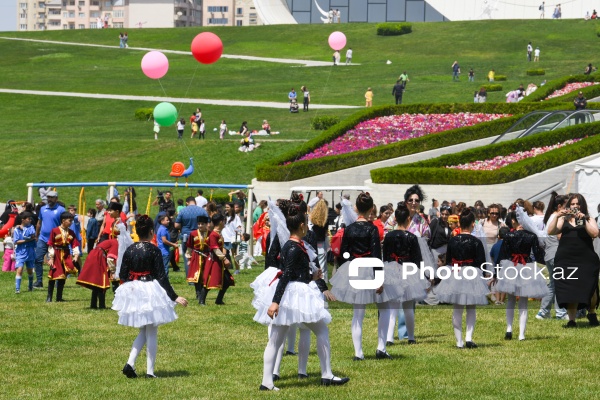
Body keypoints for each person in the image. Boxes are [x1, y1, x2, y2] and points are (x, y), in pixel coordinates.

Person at [256, 201, 349, 391]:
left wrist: (312, 276)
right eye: (306, 223)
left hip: (293, 291)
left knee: (276, 339)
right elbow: (286, 276)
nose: (308, 227)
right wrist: (275, 302)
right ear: (301, 226)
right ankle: (326, 374)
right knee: (319, 331)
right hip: (294, 294)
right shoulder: (293, 247)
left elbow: (295, 272)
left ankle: (267, 381)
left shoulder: (294, 245)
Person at [113, 215, 188, 379]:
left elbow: (123, 275)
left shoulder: (130, 249)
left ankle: (130, 364)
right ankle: (149, 371)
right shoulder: (154, 250)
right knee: (151, 331)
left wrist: (127, 291)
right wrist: (174, 297)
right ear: (152, 232)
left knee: (143, 330)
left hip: (134, 289)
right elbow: (161, 276)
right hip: (149, 290)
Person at [330, 193, 393, 360]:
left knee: (358, 313)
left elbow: (343, 253)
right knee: (384, 307)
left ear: (356, 208)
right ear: (372, 209)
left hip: (354, 268)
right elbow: (375, 255)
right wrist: (379, 278)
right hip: (369, 269)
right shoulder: (372, 229)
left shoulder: (349, 229)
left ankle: (358, 352)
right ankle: (381, 347)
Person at [435, 209, 489, 348]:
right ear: (472, 224)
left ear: (460, 223)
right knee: (471, 307)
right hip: (472, 273)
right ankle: (469, 338)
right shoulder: (477, 241)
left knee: (457, 308)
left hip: (456, 273)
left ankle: (459, 341)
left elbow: (448, 261)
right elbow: (481, 262)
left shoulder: (453, 240)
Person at [547, 193, 600, 327]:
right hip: (566, 258)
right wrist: (557, 216)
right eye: (573, 204)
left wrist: (585, 220)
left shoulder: (589, 218)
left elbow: (594, 233)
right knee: (570, 288)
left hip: (586, 259)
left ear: (582, 205)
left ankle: (592, 312)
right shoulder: (563, 219)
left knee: (590, 287)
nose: (575, 206)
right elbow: (551, 231)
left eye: (578, 203)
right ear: (569, 205)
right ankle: (572, 320)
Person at [494, 211, 548, 341]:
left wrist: (497, 272)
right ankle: (521, 334)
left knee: (511, 300)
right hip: (526, 267)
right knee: (523, 302)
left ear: (514, 221)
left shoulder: (508, 236)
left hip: (511, 266)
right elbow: (538, 255)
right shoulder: (531, 236)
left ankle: (509, 328)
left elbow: (503, 255)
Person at [383, 202, 429, 345]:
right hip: (409, 270)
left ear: (395, 219)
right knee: (408, 307)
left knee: (393, 307)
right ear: (408, 220)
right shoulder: (412, 237)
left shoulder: (389, 236)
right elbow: (417, 259)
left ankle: (389, 338)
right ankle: (411, 337)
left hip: (392, 269)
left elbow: (385, 257)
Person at [199, 213, 233, 305]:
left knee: (226, 281)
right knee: (210, 280)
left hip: (218, 261)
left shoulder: (218, 233)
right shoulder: (213, 234)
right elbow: (215, 249)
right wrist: (224, 259)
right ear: (221, 221)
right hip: (214, 261)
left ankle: (219, 300)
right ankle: (201, 301)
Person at [45, 211, 80, 302]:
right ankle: (49, 297)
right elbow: (51, 244)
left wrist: (75, 255)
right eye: (69, 220)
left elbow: (75, 244)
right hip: (56, 254)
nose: (71, 222)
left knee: (63, 275)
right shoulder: (55, 230)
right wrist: (51, 257)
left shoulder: (71, 232)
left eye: (72, 221)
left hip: (66, 254)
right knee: (53, 274)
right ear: (63, 220)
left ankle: (59, 297)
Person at [34, 190, 65, 289]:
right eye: (48, 197)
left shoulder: (61, 210)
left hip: (56, 239)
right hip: (42, 238)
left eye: (51, 197)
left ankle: (56, 280)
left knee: (56, 261)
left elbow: (64, 224)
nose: (49, 199)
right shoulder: (43, 209)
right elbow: (39, 223)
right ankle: (39, 281)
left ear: (56, 198)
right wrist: (36, 235)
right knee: (38, 259)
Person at [76, 238, 118, 309]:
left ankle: (93, 304)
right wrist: (113, 271)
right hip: (99, 256)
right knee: (102, 281)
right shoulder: (116, 243)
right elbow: (110, 258)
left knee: (96, 282)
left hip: (94, 254)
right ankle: (102, 305)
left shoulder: (112, 241)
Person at [174, 197, 208, 277]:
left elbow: (176, 225)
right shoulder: (202, 211)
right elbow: (208, 224)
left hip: (186, 236)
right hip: (199, 236)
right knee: (200, 256)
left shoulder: (182, 211)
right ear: (195, 202)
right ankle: (200, 275)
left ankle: (190, 277)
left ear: (187, 202)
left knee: (187, 257)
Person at [185, 215, 210, 304]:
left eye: (202, 224)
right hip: (196, 256)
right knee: (197, 275)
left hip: (207, 256)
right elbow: (189, 246)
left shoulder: (210, 233)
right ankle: (198, 292)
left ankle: (202, 292)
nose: (200, 226)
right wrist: (189, 258)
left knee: (205, 275)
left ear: (206, 224)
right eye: (198, 224)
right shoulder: (193, 234)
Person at [13, 212, 36, 293]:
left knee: (30, 270)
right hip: (21, 252)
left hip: (30, 251)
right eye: (28, 219)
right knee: (20, 269)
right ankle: (17, 288)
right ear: (23, 220)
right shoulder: (17, 229)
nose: (30, 220)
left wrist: (28, 234)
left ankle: (30, 286)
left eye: (30, 219)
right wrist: (27, 240)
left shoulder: (31, 227)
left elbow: (33, 236)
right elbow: (16, 241)